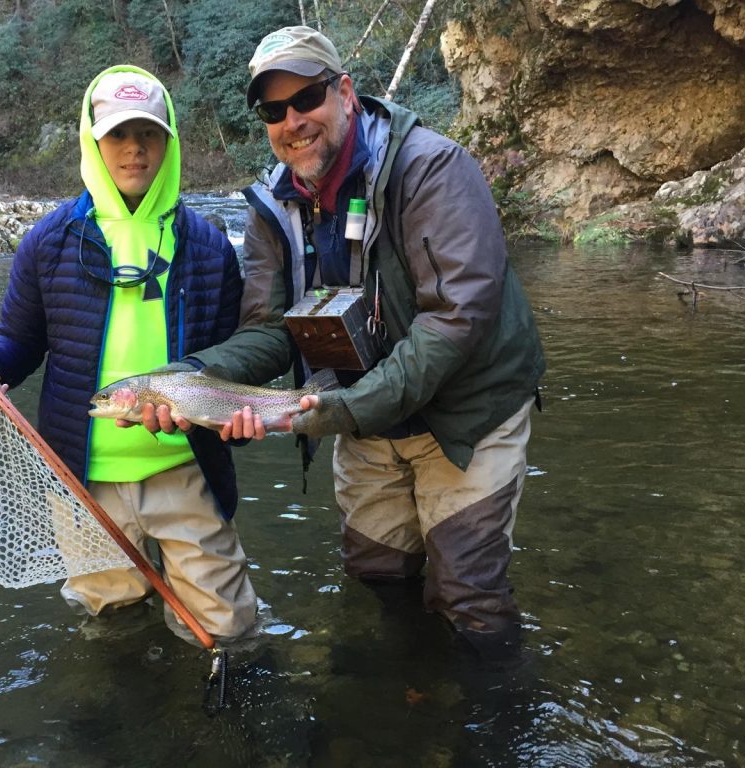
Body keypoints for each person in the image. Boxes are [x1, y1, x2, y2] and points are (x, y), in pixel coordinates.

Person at [153, 27, 546, 664]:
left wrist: (342, 410)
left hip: (467, 413)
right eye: (273, 111)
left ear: (345, 93)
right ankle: (397, 707)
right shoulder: (269, 207)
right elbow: (266, 330)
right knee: (379, 578)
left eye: (305, 98)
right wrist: (191, 379)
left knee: (467, 596)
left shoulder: (432, 169)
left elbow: (454, 321)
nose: (292, 121)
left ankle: (492, 727)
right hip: (360, 416)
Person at [0, 65, 257, 645]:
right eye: (118, 134)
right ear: (93, 142)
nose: (134, 149)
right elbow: (18, 341)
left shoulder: (209, 244)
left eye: (148, 133)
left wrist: (238, 426)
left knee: (227, 633)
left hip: (186, 470)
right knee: (111, 631)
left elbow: (234, 360)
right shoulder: (47, 241)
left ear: (168, 140)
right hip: (81, 484)